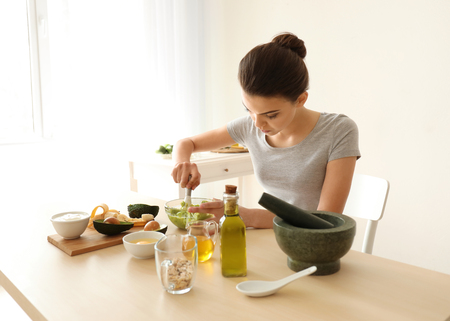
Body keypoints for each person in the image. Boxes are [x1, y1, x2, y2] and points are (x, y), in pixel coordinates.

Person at [171, 32, 360, 229]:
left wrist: (243, 215)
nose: (257, 124)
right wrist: (182, 162)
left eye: (271, 115)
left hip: (310, 248)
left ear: (301, 99)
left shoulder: (338, 131)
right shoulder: (248, 127)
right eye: (249, 110)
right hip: (267, 236)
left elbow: (324, 224)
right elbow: (186, 143)